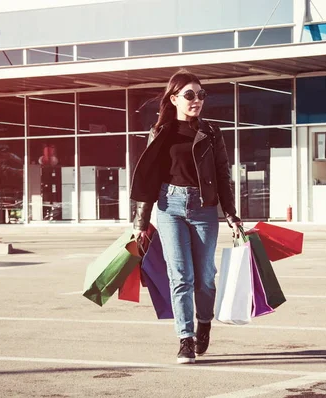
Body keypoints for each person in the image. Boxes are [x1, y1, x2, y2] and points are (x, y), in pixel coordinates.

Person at [130, 69, 242, 364]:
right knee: (180, 276)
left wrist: (231, 213)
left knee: (205, 277)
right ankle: (185, 338)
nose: (197, 100)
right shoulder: (160, 132)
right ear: (174, 98)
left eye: (201, 95)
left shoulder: (212, 132)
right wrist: (140, 223)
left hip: (204, 207)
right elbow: (148, 178)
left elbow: (222, 174)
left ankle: (204, 321)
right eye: (190, 95)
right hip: (169, 207)